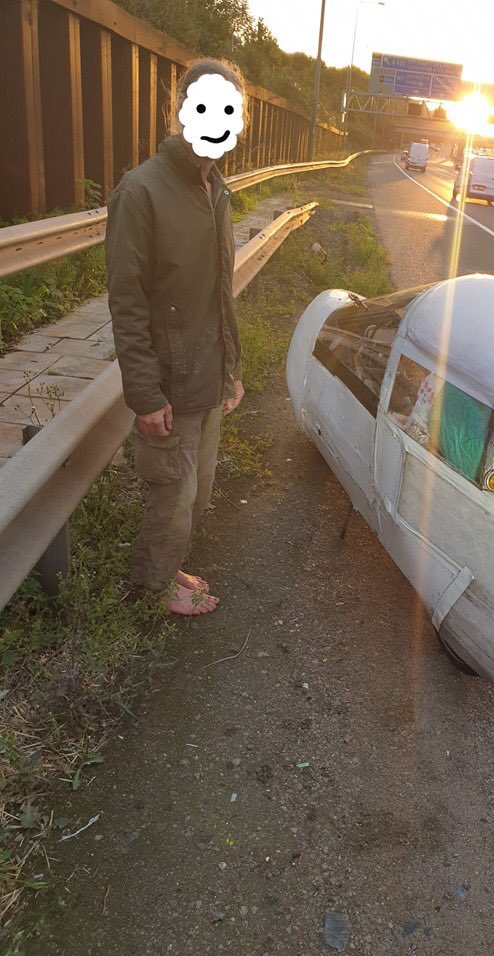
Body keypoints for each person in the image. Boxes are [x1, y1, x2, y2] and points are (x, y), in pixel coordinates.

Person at [105, 59, 247, 615]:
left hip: (209, 378)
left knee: (198, 491)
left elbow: (220, 294)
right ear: (181, 110)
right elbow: (126, 303)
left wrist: (231, 370)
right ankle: (151, 589)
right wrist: (145, 393)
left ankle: (168, 569)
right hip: (169, 382)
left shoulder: (216, 192)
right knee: (173, 493)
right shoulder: (141, 192)